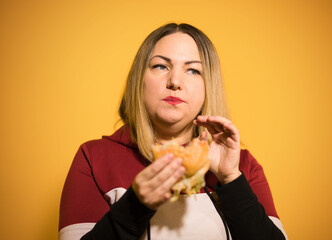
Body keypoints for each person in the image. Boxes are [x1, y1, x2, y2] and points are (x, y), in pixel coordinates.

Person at [59, 23, 288, 240]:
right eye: (161, 66)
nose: (175, 81)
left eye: (193, 70)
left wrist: (230, 180)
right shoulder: (93, 158)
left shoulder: (242, 166)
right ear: (139, 79)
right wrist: (135, 205)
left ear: (209, 85)